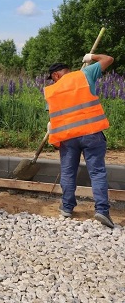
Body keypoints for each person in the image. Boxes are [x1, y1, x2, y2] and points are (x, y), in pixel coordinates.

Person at [45, 53, 114, 228]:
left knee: (68, 172)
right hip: (91, 134)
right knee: (97, 172)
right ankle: (102, 211)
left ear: (56, 75)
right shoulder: (85, 74)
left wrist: (50, 129)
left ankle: (67, 208)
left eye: (52, 79)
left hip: (68, 138)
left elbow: (54, 117)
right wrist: (93, 56)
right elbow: (108, 60)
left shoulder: (52, 91)